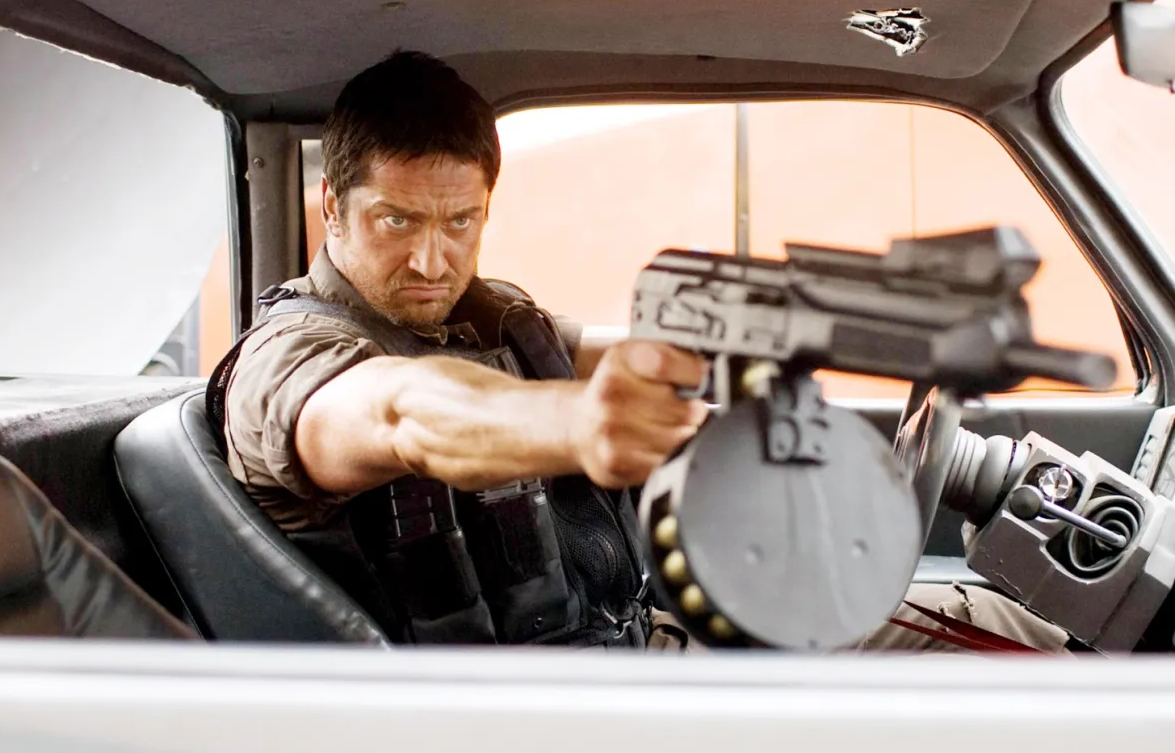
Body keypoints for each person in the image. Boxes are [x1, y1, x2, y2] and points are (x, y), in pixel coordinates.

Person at [218, 50, 1071, 653]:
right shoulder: (288, 356)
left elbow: (633, 352)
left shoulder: (487, 316)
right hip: (527, 716)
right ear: (332, 207)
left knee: (996, 631)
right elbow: (399, 412)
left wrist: (827, 325)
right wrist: (578, 423)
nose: (432, 260)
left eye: (461, 221)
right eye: (396, 221)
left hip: (640, 641)